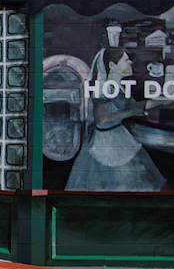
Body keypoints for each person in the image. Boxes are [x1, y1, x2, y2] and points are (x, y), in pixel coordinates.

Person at [66, 47, 164, 191]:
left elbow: (137, 106)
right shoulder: (103, 88)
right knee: (116, 184)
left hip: (119, 135)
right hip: (106, 142)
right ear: (112, 65)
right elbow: (103, 119)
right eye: (125, 60)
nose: (130, 62)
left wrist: (164, 100)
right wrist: (130, 112)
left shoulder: (119, 87)